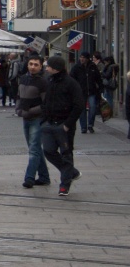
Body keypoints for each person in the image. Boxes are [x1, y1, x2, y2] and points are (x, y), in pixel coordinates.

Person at [41, 56, 84, 197]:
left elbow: (78, 105)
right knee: (48, 151)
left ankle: (64, 185)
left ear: (56, 68)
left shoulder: (71, 83)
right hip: (49, 123)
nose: (46, 68)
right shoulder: (49, 81)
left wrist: (68, 124)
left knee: (66, 154)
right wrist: (44, 120)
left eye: (48, 66)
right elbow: (45, 101)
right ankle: (71, 172)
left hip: (64, 125)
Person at [16, 54, 50, 188]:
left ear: (41, 66)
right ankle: (44, 177)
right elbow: (19, 95)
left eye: (36, 65)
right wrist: (18, 109)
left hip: (37, 118)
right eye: (31, 64)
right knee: (34, 148)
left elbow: (45, 104)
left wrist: (30, 111)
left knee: (34, 149)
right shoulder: (23, 78)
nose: (33, 67)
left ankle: (29, 178)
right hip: (25, 117)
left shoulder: (43, 82)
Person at [70, 51, 101, 134]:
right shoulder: (76, 67)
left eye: (83, 57)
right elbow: (71, 79)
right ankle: (83, 127)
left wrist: (100, 88)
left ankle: (90, 124)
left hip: (92, 91)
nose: (82, 59)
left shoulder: (92, 66)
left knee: (93, 107)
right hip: (80, 92)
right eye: (81, 57)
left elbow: (98, 78)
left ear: (87, 58)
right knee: (82, 109)